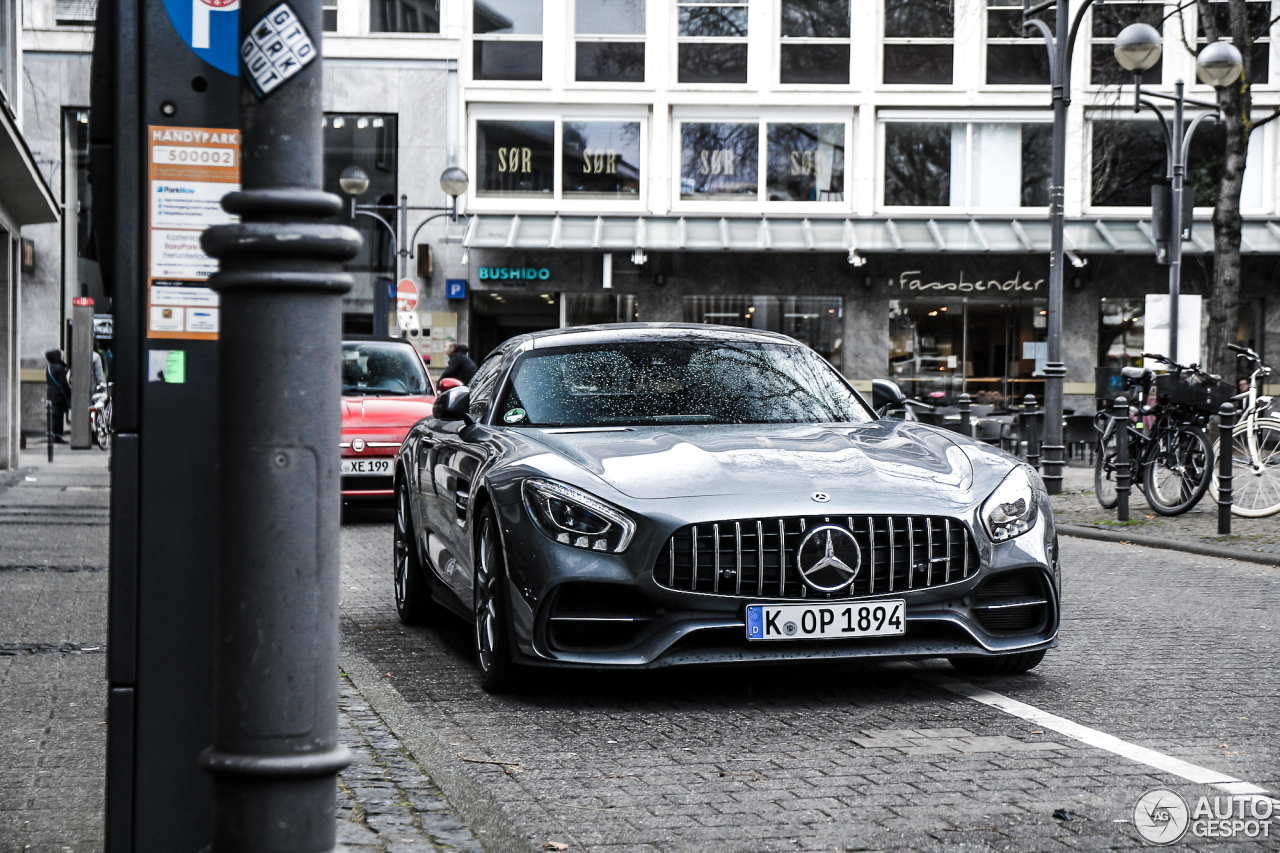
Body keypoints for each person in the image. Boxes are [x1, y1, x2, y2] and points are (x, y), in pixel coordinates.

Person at [45, 349, 71, 443]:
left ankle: (53, 435)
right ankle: (57, 436)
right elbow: (64, 384)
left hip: (51, 395)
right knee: (58, 417)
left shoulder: (49, 367)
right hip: (59, 396)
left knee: (54, 416)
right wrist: (69, 393)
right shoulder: (59, 368)